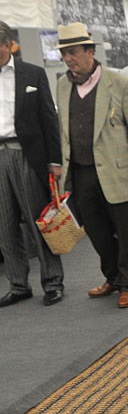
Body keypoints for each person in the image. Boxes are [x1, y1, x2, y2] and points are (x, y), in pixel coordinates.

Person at [56, 22, 128, 309]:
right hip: (80, 173)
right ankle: (112, 278)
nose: (68, 58)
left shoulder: (119, 84)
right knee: (97, 232)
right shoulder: (62, 85)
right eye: (64, 53)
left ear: (90, 51)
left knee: (125, 231)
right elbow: (62, 132)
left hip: (116, 171)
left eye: (73, 52)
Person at [0, 21, 64, 307]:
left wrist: (55, 160)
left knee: (40, 221)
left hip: (27, 155)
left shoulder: (33, 74)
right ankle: (18, 284)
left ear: (7, 44)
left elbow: (49, 119)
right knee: (5, 224)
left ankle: (52, 282)